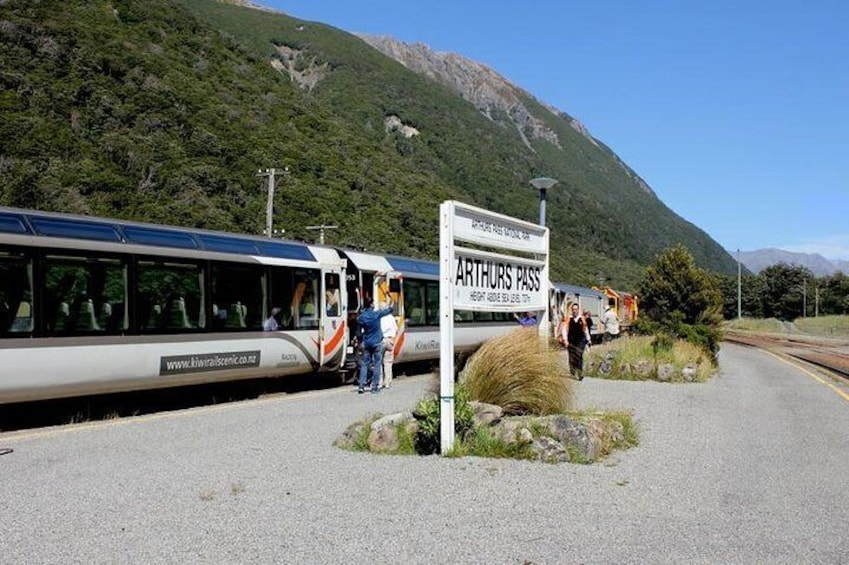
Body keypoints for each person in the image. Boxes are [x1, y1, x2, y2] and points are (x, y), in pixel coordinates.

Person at [356, 297, 395, 394]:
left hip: (367, 342)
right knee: (377, 364)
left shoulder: (361, 317)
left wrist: (361, 341)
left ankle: (361, 385)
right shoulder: (377, 314)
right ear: (372, 305)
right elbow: (389, 310)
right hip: (377, 342)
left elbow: (358, 332)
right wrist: (391, 302)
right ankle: (374, 387)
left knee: (365, 364)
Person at [565, 303, 591, 380]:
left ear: (578, 310)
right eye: (573, 309)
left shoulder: (582, 319)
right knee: (572, 356)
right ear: (571, 310)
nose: (574, 311)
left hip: (581, 340)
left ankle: (580, 373)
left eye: (576, 309)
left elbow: (585, 329)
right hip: (571, 340)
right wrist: (565, 340)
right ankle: (572, 371)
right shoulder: (569, 319)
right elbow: (565, 330)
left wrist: (588, 339)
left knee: (579, 354)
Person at [380, 307, 398, 389]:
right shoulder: (392, 318)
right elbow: (396, 329)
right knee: (388, 363)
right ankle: (387, 383)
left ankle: (379, 382)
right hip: (390, 340)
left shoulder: (380, 317)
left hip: (381, 340)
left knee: (379, 362)